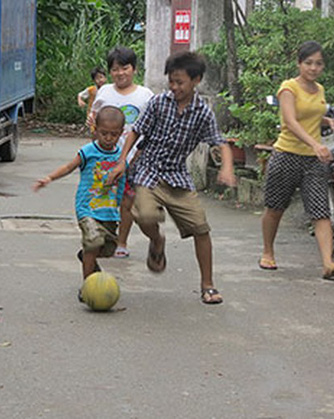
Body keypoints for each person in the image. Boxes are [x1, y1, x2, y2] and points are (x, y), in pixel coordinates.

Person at [107, 51, 236, 304]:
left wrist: (227, 168)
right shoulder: (158, 103)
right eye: (171, 81)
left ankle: (207, 285)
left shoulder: (202, 112)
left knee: (201, 227)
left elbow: (221, 144)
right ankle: (157, 240)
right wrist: (122, 161)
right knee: (144, 215)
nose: (174, 87)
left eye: (180, 82)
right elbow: (135, 132)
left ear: (196, 80)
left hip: (177, 176)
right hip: (148, 171)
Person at [259, 40, 334, 279]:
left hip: (313, 160)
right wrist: (315, 143)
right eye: (308, 63)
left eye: (318, 64)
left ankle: (328, 262)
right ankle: (268, 252)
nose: (313, 68)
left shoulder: (319, 90)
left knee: (320, 211)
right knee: (275, 207)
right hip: (287, 155)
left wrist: (330, 122)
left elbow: (313, 116)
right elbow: (290, 120)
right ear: (299, 64)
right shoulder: (288, 88)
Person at [33, 106, 126, 281]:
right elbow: (69, 167)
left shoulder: (121, 158)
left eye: (113, 134)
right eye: (104, 133)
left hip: (109, 211)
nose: (108, 138)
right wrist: (49, 178)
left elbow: (122, 183)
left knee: (108, 249)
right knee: (93, 241)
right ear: (96, 130)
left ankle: (85, 257)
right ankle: (87, 284)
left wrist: (121, 205)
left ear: (121, 133)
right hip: (87, 209)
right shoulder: (88, 151)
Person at [89, 46, 154, 259]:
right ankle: (102, 237)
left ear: (134, 69)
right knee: (102, 199)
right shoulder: (105, 92)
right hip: (105, 158)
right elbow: (94, 120)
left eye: (124, 68)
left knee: (127, 201)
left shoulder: (146, 96)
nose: (120, 73)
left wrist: (139, 154)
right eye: (115, 69)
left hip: (134, 159)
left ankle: (121, 242)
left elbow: (153, 129)